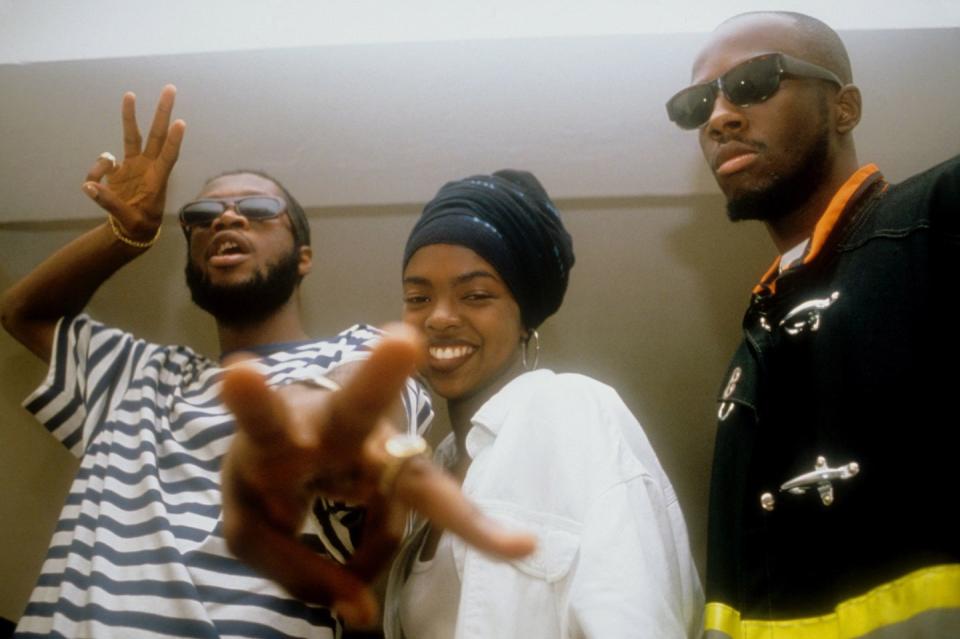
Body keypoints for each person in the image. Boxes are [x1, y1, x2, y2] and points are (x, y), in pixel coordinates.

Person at [0, 85, 533, 638]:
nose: (226, 218)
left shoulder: (360, 354)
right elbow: (22, 313)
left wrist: (317, 423)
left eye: (257, 210)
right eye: (203, 214)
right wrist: (125, 236)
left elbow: (364, 407)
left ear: (304, 257)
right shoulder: (137, 374)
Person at [665, 11, 960, 638]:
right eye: (699, 103)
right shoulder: (752, 349)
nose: (719, 116)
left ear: (844, 108)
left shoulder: (943, 215)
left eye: (754, 81)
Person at [378, 169, 703, 638]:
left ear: (525, 316)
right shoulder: (431, 473)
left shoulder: (571, 410)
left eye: (475, 295)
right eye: (417, 296)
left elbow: (633, 619)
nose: (440, 317)